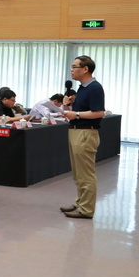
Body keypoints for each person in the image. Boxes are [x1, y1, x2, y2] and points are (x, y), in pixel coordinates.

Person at [61, 55, 105, 219]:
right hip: (76, 131)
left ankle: (86, 209)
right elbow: (80, 110)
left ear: (85, 69)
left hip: (86, 133)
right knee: (78, 172)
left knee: (86, 173)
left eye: (74, 67)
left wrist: (77, 114)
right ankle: (80, 203)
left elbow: (99, 112)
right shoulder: (82, 88)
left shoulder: (95, 88)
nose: (71, 70)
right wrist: (69, 105)